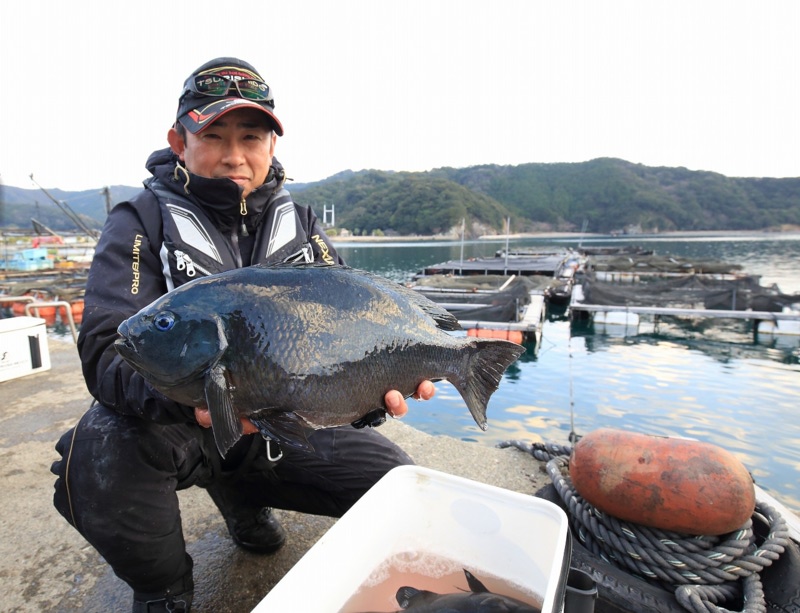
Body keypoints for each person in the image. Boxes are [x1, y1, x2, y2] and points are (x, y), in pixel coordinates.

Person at [50, 57, 435, 613]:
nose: (235, 155)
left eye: (251, 136)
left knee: (399, 485)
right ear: (178, 140)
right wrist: (197, 403)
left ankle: (244, 495)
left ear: (271, 147)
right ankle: (163, 590)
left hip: (285, 424)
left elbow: (355, 324)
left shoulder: (300, 224)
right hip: (181, 425)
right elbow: (108, 347)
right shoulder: (140, 221)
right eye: (214, 134)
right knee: (100, 450)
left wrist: (365, 398)